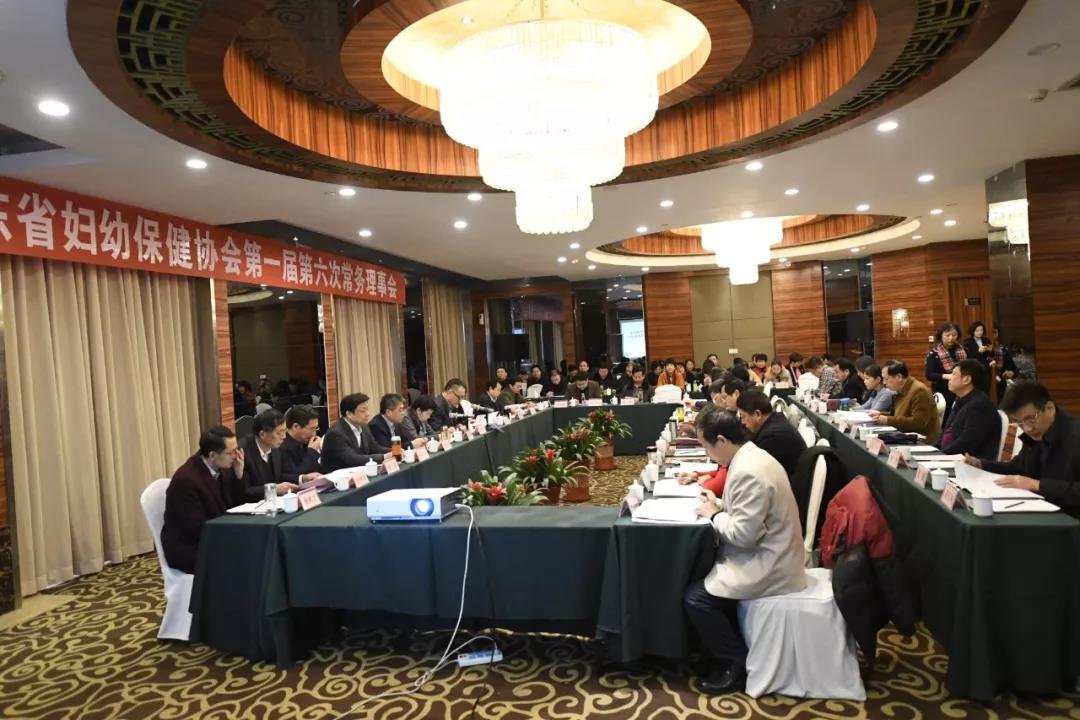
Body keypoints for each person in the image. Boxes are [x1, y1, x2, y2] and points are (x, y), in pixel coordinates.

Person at [684, 407, 806, 695]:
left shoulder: (748, 471)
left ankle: (736, 664)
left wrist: (715, 514)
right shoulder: (750, 456)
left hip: (771, 562)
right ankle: (711, 651)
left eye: (706, 446)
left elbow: (744, 536)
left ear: (722, 440)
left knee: (697, 599)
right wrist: (718, 504)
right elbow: (746, 513)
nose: (707, 453)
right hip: (772, 549)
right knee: (700, 574)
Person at [965, 382, 1080, 515]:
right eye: (1019, 422)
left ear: (1050, 408)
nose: (1027, 429)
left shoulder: (1075, 435)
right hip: (1040, 509)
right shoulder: (1034, 435)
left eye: (1031, 419)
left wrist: (1036, 484)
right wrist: (981, 464)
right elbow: (1018, 466)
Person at [161, 426, 247, 574]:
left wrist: (239, 475)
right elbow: (196, 528)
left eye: (236, 449)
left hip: (215, 535)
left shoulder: (223, 467)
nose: (236, 456)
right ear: (212, 455)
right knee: (246, 556)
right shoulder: (186, 480)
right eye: (231, 452)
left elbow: (236, 504)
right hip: (191, 548)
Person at [735, 390, 804, 479]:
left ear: (757, 414)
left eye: (743, 416)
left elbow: (755, 470)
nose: (742, 422)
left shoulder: (773, 437)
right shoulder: (775, 421)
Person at [937, 360, 999, 458]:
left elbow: (966, 443)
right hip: (949, 456)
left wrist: (939, 455)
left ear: (966, 379)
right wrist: (933, 451)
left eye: (953, 374)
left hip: (967, 462)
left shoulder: (979, 404)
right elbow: (946, 431)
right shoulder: (960, 399)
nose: (949, 377)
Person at [869, 360, 941, 444]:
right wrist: (880, 414)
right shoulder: (900, 389)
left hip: (920, 440)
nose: (884, 383)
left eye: (886, 379)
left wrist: (887, 420)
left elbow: (918, 422)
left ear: (899, 377)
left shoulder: (919, 391)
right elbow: (898, 415)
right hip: (904, 435)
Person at [321, 393, 392, 472]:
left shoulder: (364, 427)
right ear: (349, 414)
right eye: (362, 411)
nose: (367, 414)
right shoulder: (335, 433)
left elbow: (375, 448)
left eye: (367, 409)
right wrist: (384, 457)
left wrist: (394, 451)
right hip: (338, 477)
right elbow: (352, 459)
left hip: (359, 473)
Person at [239, 409, 298, 501]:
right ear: (262, 434)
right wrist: (274, 489)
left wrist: (302, 478)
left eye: (284, 431)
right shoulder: (243, 452)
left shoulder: (275, 446)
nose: (284, 436)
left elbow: (279, 476)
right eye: (279, 432)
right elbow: (244, 491)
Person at [925, 322, 967, 411]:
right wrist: (947, 376)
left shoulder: (963, 351)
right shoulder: (934, 354)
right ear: (941, 336)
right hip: (942, 391)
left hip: (962, 390)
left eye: (954, 335)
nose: (951, 338)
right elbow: (929, 374)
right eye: (947, 335)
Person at [281, 405, 323, 484]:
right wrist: (312, 451)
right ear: (295, 426)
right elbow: (295, 475)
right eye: (311, 428)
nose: (314, 433)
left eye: (316, 428)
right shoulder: (281, 445)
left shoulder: (305, 441)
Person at [991, 327, 1018, 400]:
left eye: (995, 332)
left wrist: (1011, 373)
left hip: (1000, 386)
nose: (993, 335)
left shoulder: (1003, 349)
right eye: (991, 332)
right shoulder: (981, 349)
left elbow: (1015, 370)